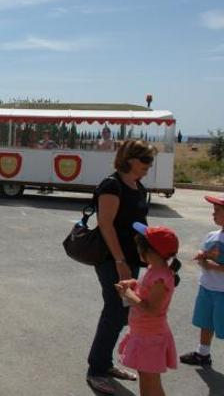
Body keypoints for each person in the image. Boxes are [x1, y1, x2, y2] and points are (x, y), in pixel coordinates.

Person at [86, 139, 157, 395]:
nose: (149, 165)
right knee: (115, 310)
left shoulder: (137, 186)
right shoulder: (112, 185)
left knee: (122, 313)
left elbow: (140, 225)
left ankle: (104, 363)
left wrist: (150, 254)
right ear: (130, 159)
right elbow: (106, 225)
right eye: (145, 160)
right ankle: (96, 370)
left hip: (130, 259)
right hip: (111, 259)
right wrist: (120, 261)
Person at [115, 223, 181, 396]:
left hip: (150, 338)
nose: (136, 249)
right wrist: (133, 284)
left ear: (150, 251)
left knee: (150, 383)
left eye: (138, 246)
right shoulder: (153, 269)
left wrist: (128, 294)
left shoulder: (161, 278)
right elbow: (146, 291)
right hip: (143, 333)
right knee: (147, 380)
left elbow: (151, 309)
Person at [179, 194, 224, 367]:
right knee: (206, 321)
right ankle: (202, 353)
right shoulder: (212, 235)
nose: (213, 214)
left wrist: (216, 267)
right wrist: (202, 256)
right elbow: (205, 254)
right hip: (207, 287)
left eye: (218, 211)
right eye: (214, 210)